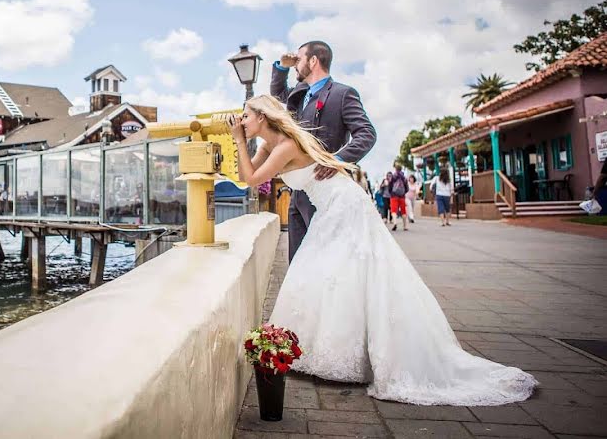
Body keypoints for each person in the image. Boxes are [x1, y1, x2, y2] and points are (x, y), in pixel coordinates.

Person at [229, 94, 536, 405]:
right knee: (325, 271)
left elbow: (253, 178)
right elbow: (244, 178)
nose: (241, 121)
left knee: (342, 270)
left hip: (343, 203)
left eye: (245, 116)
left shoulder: (285, 145)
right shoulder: (269, 145)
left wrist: (239, 140)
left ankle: (353, 352)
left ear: (262, 117)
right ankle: (326, 349)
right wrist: (243, 142)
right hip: (329, 206)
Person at [271, 40, 376, 262]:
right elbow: (278, 96)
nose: (296, 64)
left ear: (313, 60)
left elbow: (367, 133)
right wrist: (282, 65)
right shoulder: (299, 95)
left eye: (299, 59)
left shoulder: (342, 94)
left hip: (326, 189)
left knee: (325, 260)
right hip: (299, 192)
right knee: (297, 261)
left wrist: (335, 160)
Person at [389, 163, 409, 231]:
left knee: (394, 210)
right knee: (403, 211)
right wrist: (403, 193)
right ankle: (405, 226)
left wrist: (391, 192)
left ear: (395, 169)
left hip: (394, 195)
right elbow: (407, 188)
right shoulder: (404, 177)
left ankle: (395, 222)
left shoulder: (393, 176)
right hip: (402, 196)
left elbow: (390, 186)